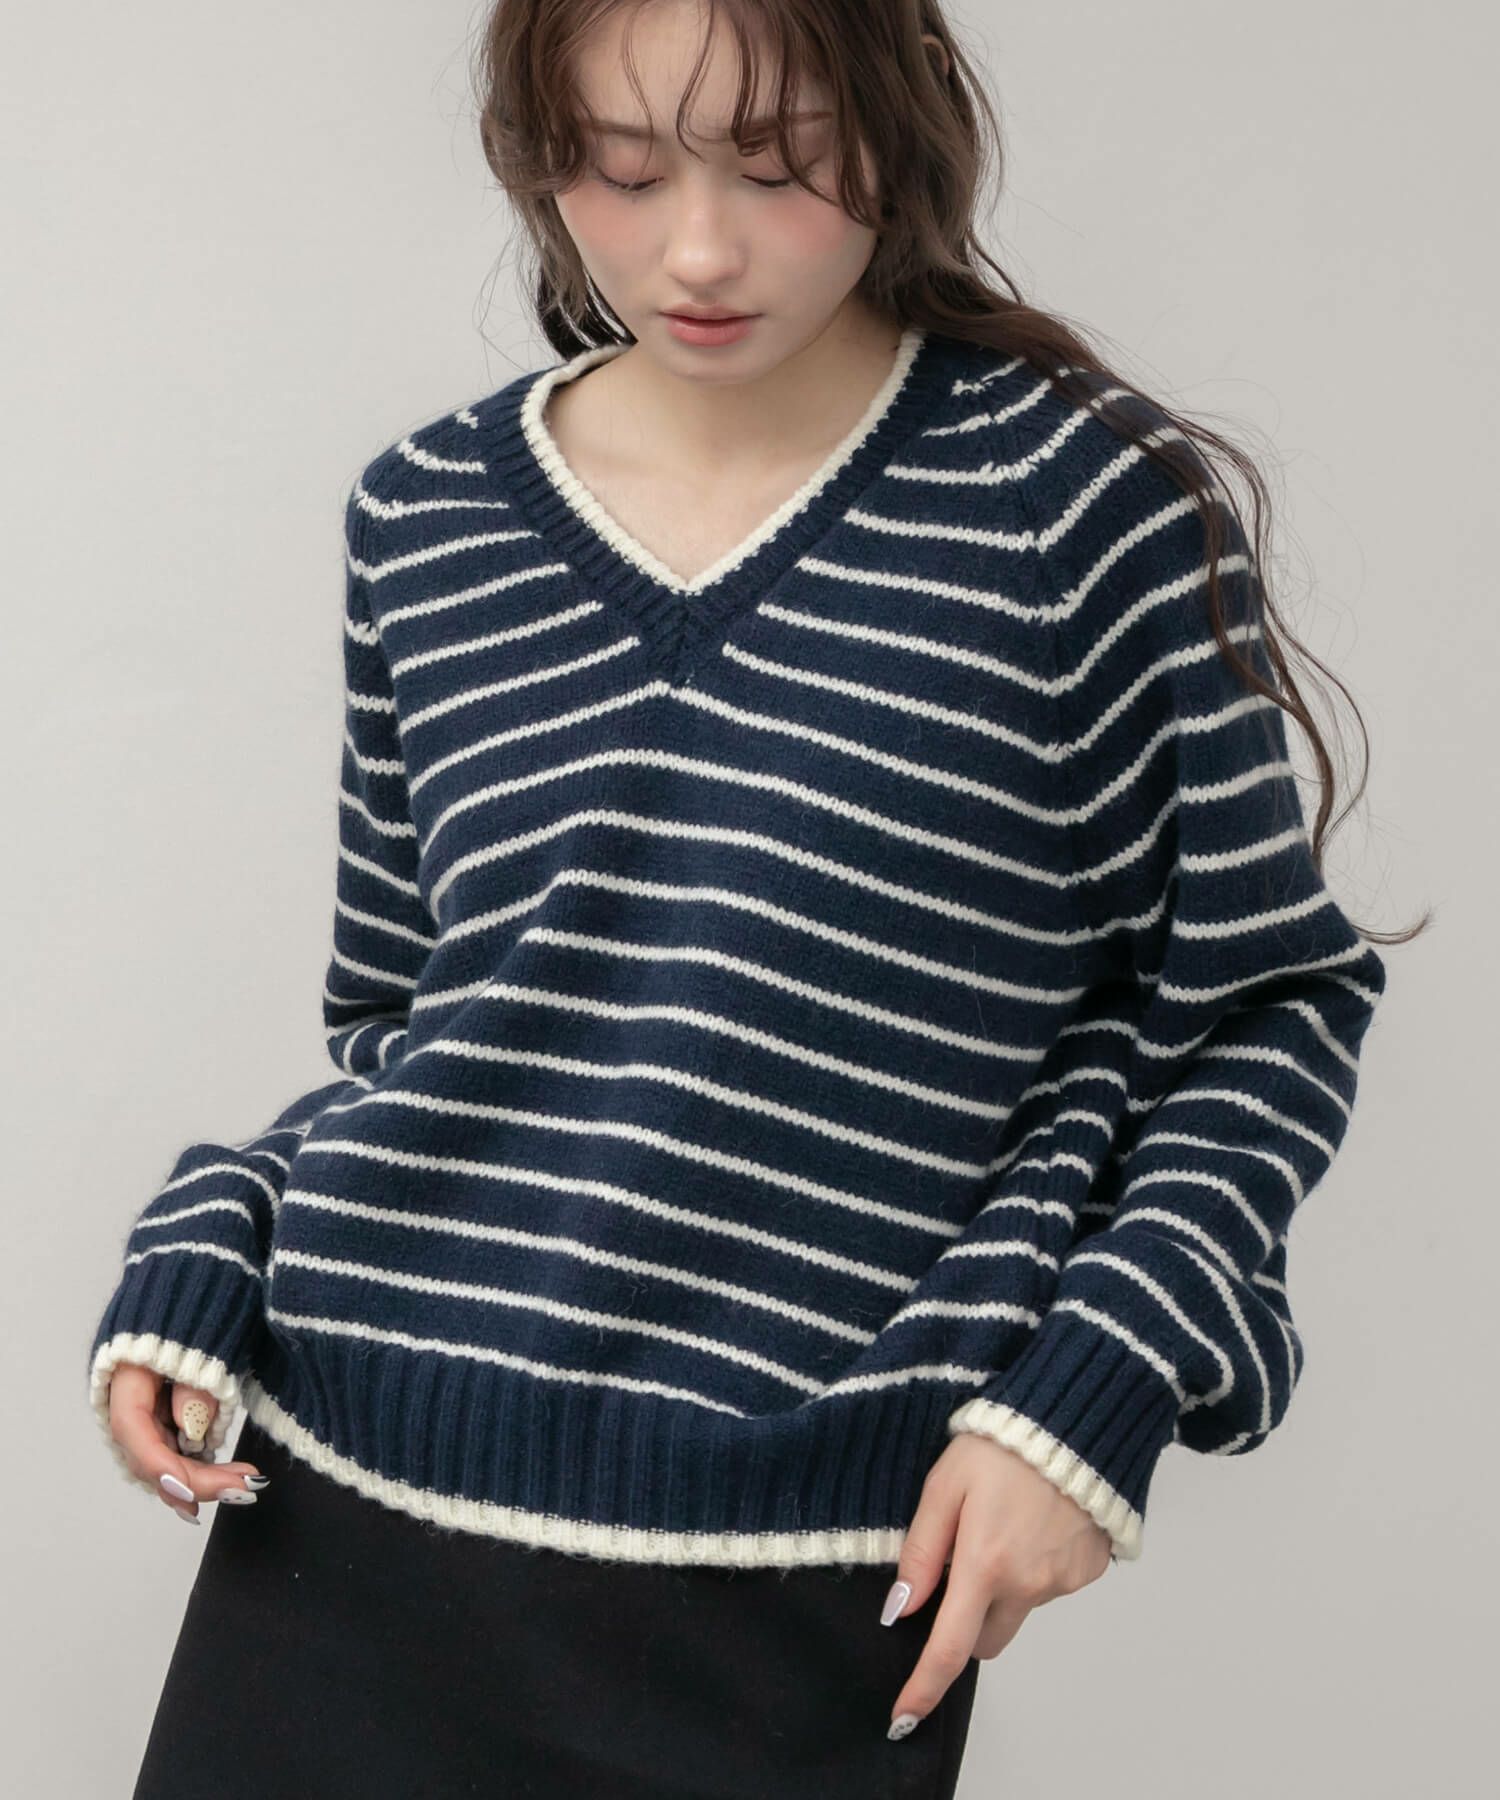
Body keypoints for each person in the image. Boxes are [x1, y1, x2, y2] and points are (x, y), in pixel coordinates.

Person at [88, 3, 1410, 1795]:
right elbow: (422, 1027)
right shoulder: (427, 516)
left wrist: (1090, 1390)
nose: (695, 251)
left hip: (785, 1588)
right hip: (336, 1536)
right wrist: (223, 1225)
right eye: (621, 172)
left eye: (778, 166)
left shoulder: (1070, 514)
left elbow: (1265, 1009)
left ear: (897, 129)